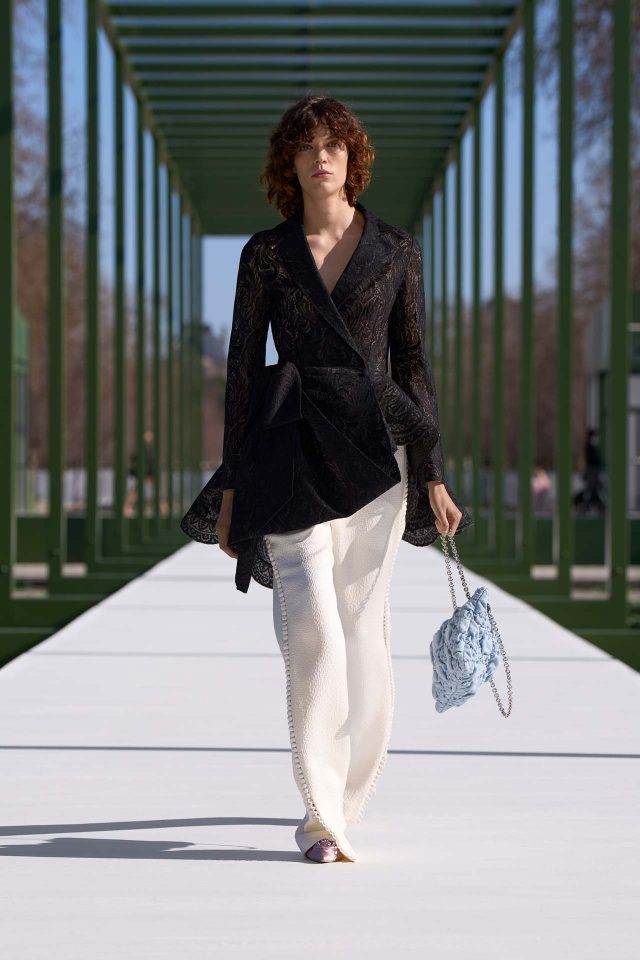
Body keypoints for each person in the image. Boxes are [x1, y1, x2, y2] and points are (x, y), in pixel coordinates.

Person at [180, 95, 473, 863]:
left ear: (352, 157)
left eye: (334, 144)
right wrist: (232, 489)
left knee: (363, 631)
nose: (322, 157)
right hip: (292, 449)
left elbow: (413, 365)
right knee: (312, 622)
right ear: (290, 161)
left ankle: (347, 793)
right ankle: (321, 817)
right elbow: (242, 372)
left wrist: (432, 474)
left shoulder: (397, 250)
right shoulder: (266, 255)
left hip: (380, 457)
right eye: (307, 145)